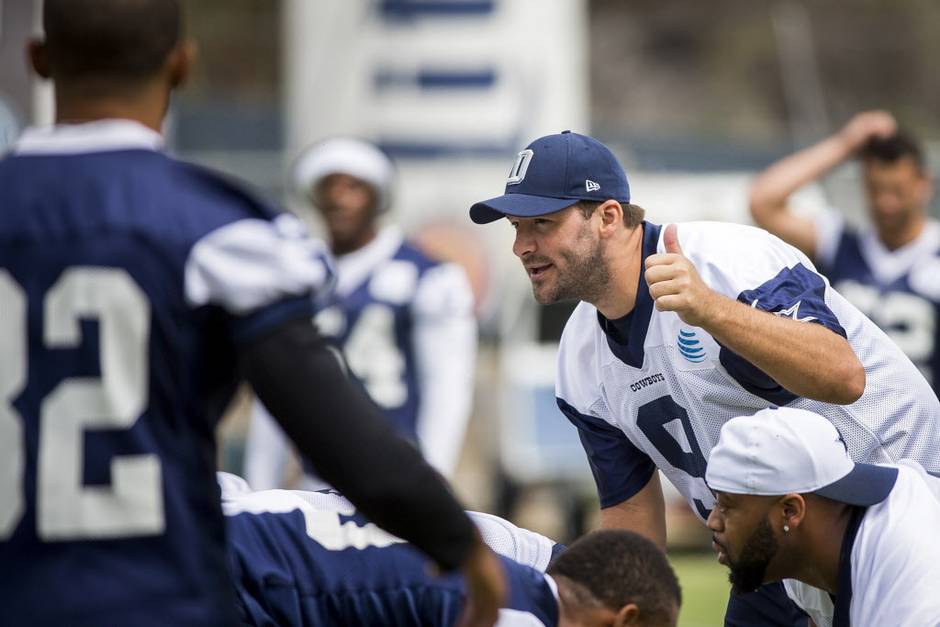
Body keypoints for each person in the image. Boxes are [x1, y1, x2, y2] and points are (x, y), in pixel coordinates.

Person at [0, 1, 504, 625]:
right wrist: (453, 538)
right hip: (158, 591)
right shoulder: (219, 230)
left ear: (38, 60)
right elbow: (326, 417)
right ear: (181, 66)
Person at [468, 130, 940, 626]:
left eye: (543, 222)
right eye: (517, 226)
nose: (523, 246)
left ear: (608, 216)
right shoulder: (580, 359)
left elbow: (843, 376)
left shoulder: (722, 258)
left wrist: (710, 309)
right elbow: (632, 518)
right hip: (773, 545)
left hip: (893, 506)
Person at [245, 137, 477, 490]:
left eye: (353, 187)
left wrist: (430, 483)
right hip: (317, 480)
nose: (339, 199)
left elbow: (447, 386)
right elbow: (273, 389)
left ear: (376, 197)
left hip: (397, 475)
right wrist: (259, 489)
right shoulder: (297, 279)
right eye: (329, 187)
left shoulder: (427, 276)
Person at [221, 475, 682, 627]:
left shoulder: (494, 555)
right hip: (235, 582)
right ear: (625, 620)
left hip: (230, 517)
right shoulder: (515, 615)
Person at [749, 111, 940, 392]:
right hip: (850, 420)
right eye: (876, 190)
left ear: (924, 185)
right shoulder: (840, 242)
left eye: (897, 190)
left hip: (921, 426)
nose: (886, 203)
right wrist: (845, 145)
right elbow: (763, 201)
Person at [706, 407, 940, 627]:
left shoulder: (907, 562)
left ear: (790, 511)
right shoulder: (810, 543)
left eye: (726, 506)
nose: (712, 521)